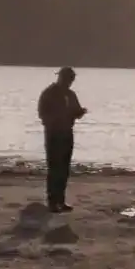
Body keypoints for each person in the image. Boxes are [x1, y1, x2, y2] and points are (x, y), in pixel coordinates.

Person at [37, 67, 87, 212]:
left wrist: (79, 113)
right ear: (61, 78)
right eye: (67, 78)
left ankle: (61, 200)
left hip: (67, 133)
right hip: (53, 134)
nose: (69, 82)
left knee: (64, 168)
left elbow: (75, 111)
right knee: (54, 168)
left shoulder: (71, 94)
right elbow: (42, 113)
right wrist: (54, 122)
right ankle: (52, 201)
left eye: (71, 79)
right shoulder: (49, 93)